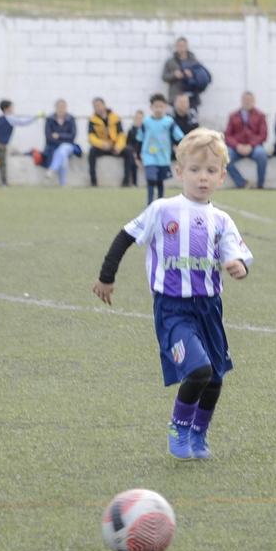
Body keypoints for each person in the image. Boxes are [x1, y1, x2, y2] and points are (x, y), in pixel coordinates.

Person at [94, 128, 253, 461]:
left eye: (211, 171)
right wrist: (107, 277)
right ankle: (179, 427)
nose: (202, 178)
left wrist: (237, 265)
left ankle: (199, 433)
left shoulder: (221, 220)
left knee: (215, 378)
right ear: (180, 172)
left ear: (222, 176)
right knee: (198, 370)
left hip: (209, 308)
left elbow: (232, 253)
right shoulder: (163, 209)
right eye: (195, 170)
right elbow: (126, 236)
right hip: (172, 309)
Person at [140, 93, 184, 203]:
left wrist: (181, 146)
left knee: (160, 181)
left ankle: (159, 203)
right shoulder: (146, 122)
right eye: (156, 106)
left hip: (163, 156)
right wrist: (137, 153)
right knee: (151, 179)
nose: (158, 109)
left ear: (165, 107)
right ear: (151, 107)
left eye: (161, 106)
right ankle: (150, 204)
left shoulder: (169, 122)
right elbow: (139, 138)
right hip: (149, 155)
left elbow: (179, 136)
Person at [0, 99, 39, 186]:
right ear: (6, 109)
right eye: (11, 108)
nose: (13, 110)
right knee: (3, 163)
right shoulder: (10, 118)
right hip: (1, 144)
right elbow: (23, 122)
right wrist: (35, 117)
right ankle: (4, 182)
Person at [224, 92, 269, 190]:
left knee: (262, 155)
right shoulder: (233, 116)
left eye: (250, 100)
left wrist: (251, 145)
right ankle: (242, 183)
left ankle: (260, 185)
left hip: (254, 147)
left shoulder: (260, 115)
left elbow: (263, 135)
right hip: (237, 147)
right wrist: (237, 146)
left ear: (254, 102)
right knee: (225, 158)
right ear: (242, 101)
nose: (247, 102)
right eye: (246, 100)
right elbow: (227, 135)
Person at [37, 99, 80, 187]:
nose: (61, 109)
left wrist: (59, 136)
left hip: (69, 147)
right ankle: (63, 184)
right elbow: (48, 137)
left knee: (64, 147)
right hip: (54, 147)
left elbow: (72, 136)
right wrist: (63, 139)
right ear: (55, 108)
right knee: (62, 154)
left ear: (66, 108)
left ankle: (51, 170)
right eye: (59, 107)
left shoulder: (71, 119)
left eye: (62, 107)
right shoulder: (50, 119)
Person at [161, 37, 212, 107]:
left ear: (187, 47)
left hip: (192, 98)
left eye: (183, 46)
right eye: (179, 46)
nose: (181, 48)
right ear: (176, 47)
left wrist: (193, 74)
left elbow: (201, 76)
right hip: (176, 97)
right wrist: (175, 75)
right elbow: (164, 77)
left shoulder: (194, 61)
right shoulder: (170, 62)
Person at [86, 97, 125, 187]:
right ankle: (93, 181)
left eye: (99, 105)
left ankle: (127, 181)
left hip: (114, 146)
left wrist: (118, 147)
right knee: (92, 151)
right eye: (95, 106)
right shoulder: (92, 120)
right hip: (102, 147)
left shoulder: (115, 118)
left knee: (129, 151)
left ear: (104, 105)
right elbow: (91, 137)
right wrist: (101, 144)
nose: (97, 108)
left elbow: (121, 135)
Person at [122, 109, 144, 189]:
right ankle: (132, 182)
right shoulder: (131, 131)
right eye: (137, 118)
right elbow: (129, 143)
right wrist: (135, 154)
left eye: (140, 118)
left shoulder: (146, 130)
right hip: (134, 153)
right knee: (132, 162)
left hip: (144, 152)